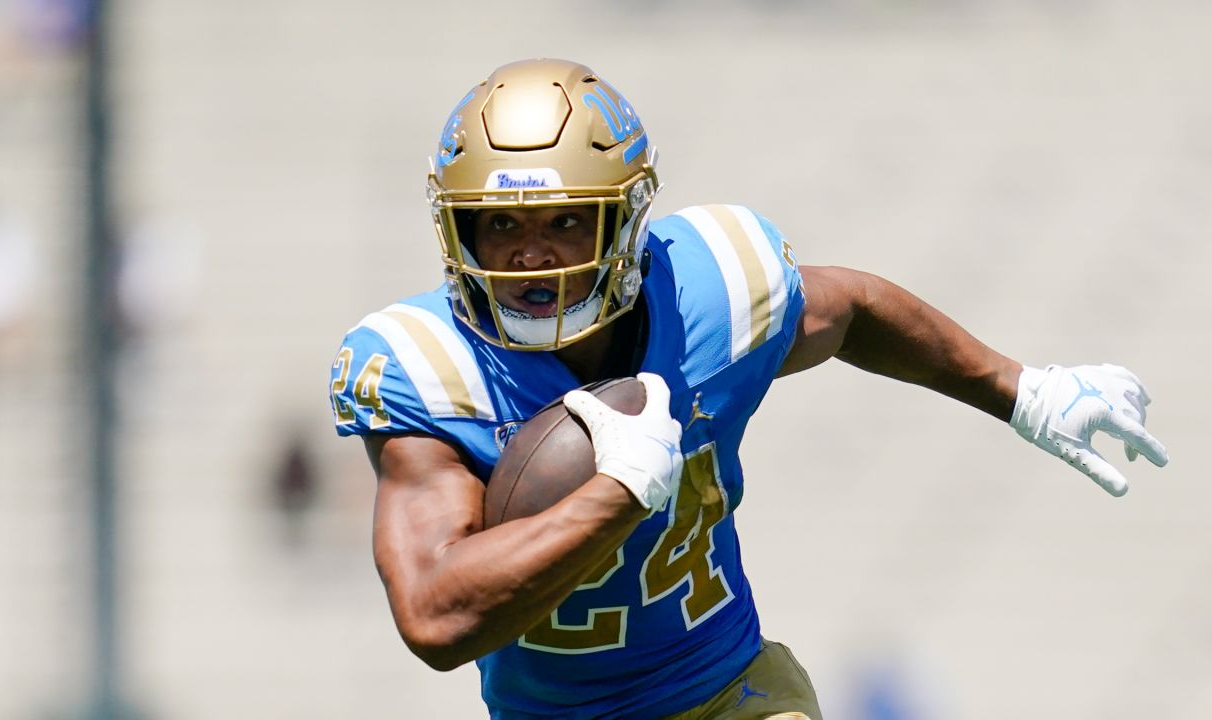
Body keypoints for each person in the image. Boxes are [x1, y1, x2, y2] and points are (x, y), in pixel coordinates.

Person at [328, 59, 1168, 719]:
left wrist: (1019, 390)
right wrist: (617, 495)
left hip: (730, 694)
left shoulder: (709, 293)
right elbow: (435, 621)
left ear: (624, 221)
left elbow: (852, 309)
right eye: (500, 223)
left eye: (565, 219)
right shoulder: (430, 368)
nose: (530, 254)